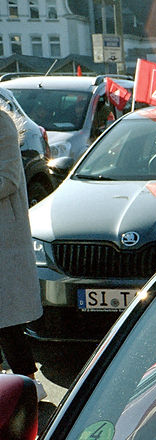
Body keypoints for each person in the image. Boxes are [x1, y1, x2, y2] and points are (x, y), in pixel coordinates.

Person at [0, 109, 45, 400]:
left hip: (4, 240)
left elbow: (8, 179)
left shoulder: (0, 123)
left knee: (8, 323)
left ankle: (27, 387)